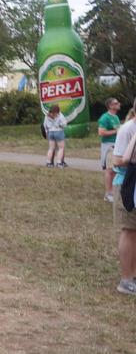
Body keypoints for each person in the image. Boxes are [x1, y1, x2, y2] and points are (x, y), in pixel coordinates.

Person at [111, 98, 136, 295]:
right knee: (129, 230)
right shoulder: (128, 129)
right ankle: (126, 280)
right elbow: (117, 160)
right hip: (127, 186)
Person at [98, 97, 121, 202]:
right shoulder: (105, 117)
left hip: (116, 145)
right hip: (109, 146)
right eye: (116, 103)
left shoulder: (115, 117)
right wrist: (116, 131)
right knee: (110, 170)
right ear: (111, 106)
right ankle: (108, 194)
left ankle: (114, 191)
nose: (119, 104)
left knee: (116, 170)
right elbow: (101, 132)